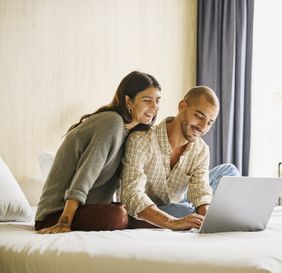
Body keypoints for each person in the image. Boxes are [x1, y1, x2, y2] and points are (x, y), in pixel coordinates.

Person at [35, 71, 161, 234]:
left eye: (157, 101)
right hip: (57, 214)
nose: (154, 107)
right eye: (147, 100)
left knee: (154, 217)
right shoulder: (112, 122)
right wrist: (64, 222)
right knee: (118, 216)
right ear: (128, 101)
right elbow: (85, 174)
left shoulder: (132, 136)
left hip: (88, 210)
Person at [120, 86, 239, 231]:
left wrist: (207, 216)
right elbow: (131, 194)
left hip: (179, 201)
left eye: (209, 122)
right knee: (183, 210)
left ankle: (205, 216)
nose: (203, 127)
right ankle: (195, 214)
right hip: (149, 210)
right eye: (199, 116)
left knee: (229, 171)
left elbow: (200, 191)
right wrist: (171, 222)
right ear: (182, 106)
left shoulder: (201, 150)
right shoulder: (141, 140)